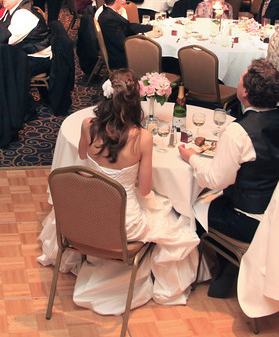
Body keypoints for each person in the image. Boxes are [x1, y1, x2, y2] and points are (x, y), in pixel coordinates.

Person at [38, 68, 197, 313]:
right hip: (124, 225)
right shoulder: (143, 137)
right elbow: (145, 190)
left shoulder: (87, 125)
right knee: (173, 217)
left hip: (84, 217)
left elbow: (81, 154)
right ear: (135, 102)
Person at [179, 59, 279, 297]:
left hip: (250, 220)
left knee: (189, 204)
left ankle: (226, 264)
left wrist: (192, 157)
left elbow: (216, 180)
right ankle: (230, 265)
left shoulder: (239, 132)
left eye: (240, 79)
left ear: (245, 92)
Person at [96, 0, 161, 69]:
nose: (124, 1)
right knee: (156, 54)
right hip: (122, 59)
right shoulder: (108, 19)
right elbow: (123, 44)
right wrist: (146, 36)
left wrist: (151, 27)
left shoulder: (110, 13)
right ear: (117, 0)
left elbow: (129, 26)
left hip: (123, 51)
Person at [0, 0, 51, 76]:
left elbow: (7, 40)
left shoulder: (23, 14)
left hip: (37, 59)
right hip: (26, 53)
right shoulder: (14, 9)